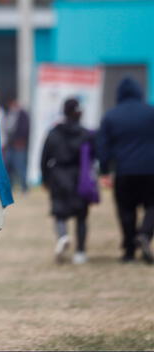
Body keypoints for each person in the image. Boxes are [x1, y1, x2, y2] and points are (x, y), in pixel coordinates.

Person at [96, 77, 154, 264]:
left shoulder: (111, 116)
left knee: (126, 210)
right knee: (152, 206)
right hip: (150, 170)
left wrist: (104, 170)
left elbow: (103, 146)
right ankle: (144, 234)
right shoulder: (150, 112)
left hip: (124, 171)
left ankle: (129, 251)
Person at [41, 99, 94, 264]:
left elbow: (44, 158)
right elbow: (93, 156)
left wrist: (45, 178)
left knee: (59, 213)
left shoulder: (54, 132)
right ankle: (80, 252)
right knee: (81, 216)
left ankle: (63, 236)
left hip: (58, 176)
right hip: (80, 177)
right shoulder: (86, 134)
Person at [3, 98, 30, 193]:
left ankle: (24, 187)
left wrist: (21, 141)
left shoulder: (23, 114)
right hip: (10, 144)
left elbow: (25, 129)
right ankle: (10, 187)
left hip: (19, 145)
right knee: (8, 166)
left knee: (20, 166)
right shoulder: (9, 114)